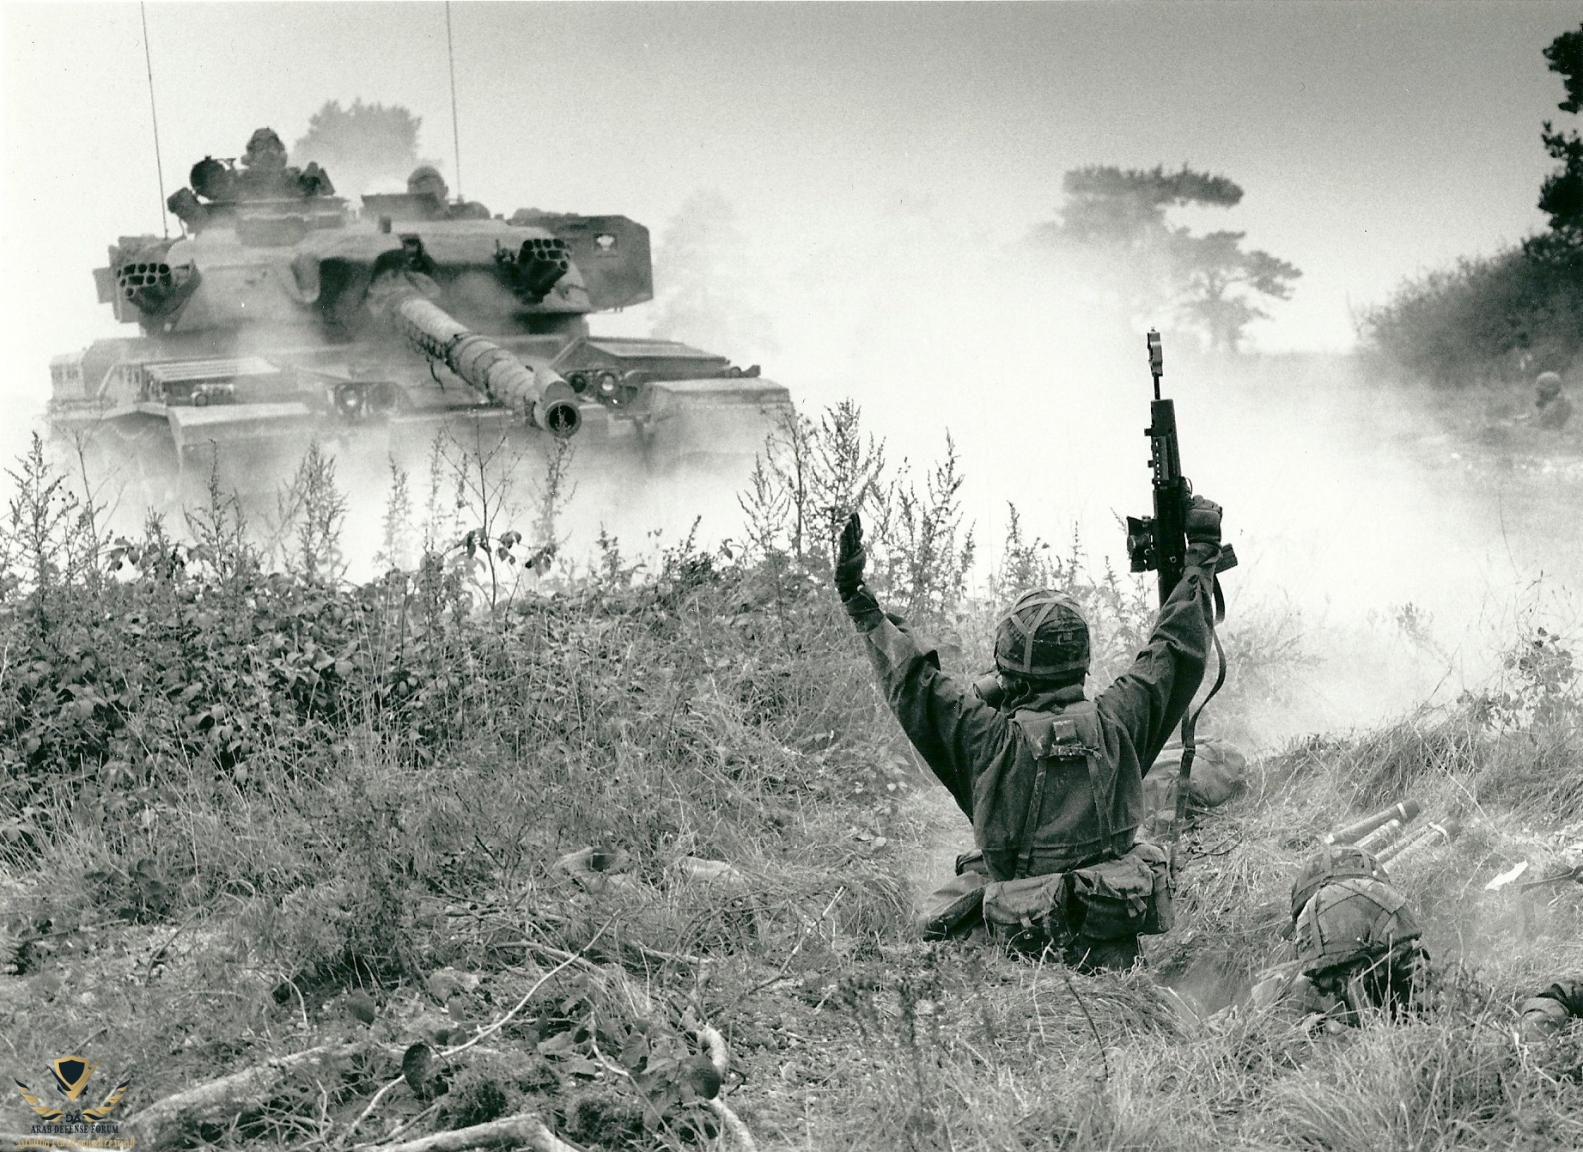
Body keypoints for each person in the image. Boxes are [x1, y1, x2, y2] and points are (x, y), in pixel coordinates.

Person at [831, 496, 1226, 971]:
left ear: (1011, 672)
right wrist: (1200, 554)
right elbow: (1175, 648)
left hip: (1018, 954)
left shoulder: (986, 739)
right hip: (1111, 949)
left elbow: (915, 682)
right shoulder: (1122, 721)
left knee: (932, 920)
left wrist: (859, 600)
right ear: (1080, 661)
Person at [1250, 844, 1431, 1027]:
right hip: (1382, 915)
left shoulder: (1310, 892)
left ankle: (1346, 1030)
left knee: (1323, 997)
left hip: (1323, 936)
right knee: (1420, 987)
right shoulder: (1366, 873)